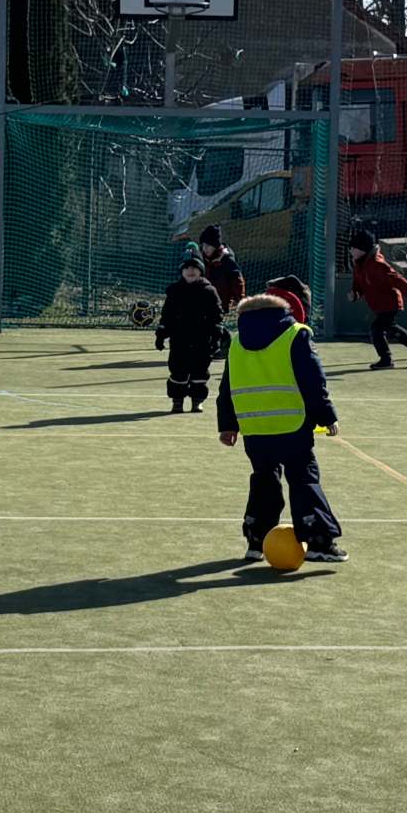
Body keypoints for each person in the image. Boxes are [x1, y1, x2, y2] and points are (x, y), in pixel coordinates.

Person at [216, 292, 346, 564]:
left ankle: (256, 539)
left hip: (254, 427)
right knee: (303, 479)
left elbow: (226, 386)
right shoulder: (295, 335)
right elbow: (313, 380)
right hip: (291, 424)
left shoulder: (238, 341)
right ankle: (319, 542)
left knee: (264, 479)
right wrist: (327, 415)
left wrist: (228, 425)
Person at [349, 228, 407, 370]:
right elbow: (358, 285)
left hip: (390, 302)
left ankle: (386, 359)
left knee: (377, 329)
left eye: (354, 248)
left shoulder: (377, 263)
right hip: (379, 304)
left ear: (363, 249)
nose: (351, 250)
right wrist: (355, 294)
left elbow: (395, 278)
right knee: (389, 328)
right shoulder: (358, 265)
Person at [155, 255, 223, 414]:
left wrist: (216, 337)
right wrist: (161, 334)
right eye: (186, 268)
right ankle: (177, 401)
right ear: (181, 272)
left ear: (201, 271)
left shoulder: (209, 291)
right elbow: (168, 315)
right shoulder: (174, 291)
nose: (190, 271)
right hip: (179, 339)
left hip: (202, 339)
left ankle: (197, 401)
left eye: (194, 268)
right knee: (178, 370)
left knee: (200, 371)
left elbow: (216, 316)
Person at [198, 225, 245, 358]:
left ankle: (221, 346)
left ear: (215, 246)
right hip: (205, 296)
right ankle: (214, 345)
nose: (205, 249)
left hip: (221, 298)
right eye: (203, 245)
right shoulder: (202, 258)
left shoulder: (226, 259)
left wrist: (239, 299)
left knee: (212, 322)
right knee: (205, 322)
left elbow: (237, 280)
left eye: (208, 246)